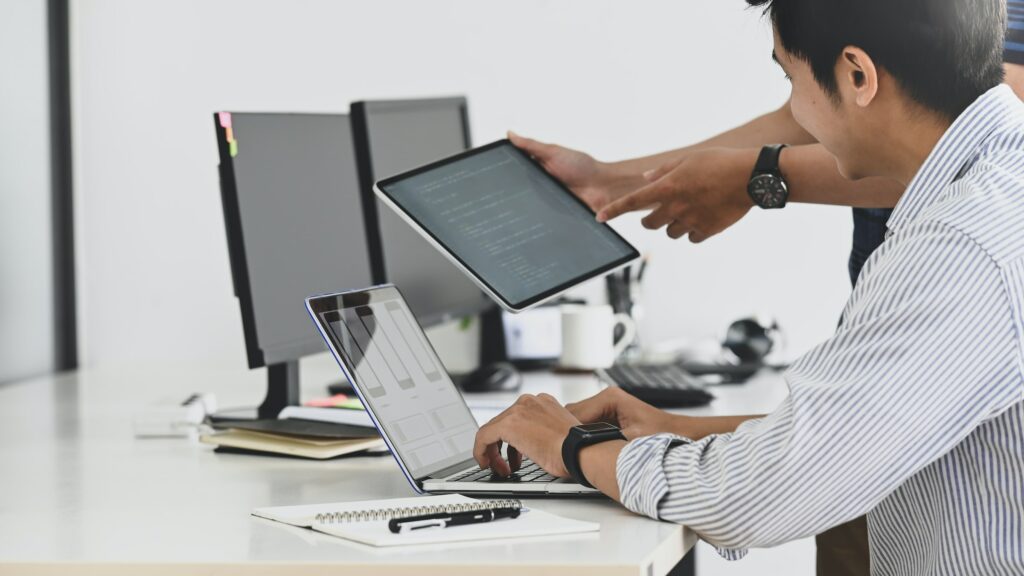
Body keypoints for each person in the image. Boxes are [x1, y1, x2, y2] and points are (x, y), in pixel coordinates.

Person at [473, 0, 1024, 574]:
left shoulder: (960, 252)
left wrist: (573, 449)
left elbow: (759, 498)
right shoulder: (997, 185)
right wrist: (677, 430)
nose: (797, 120)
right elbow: (864, 434)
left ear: (858, 75)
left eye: (790, 79)